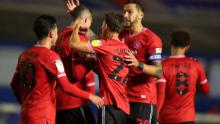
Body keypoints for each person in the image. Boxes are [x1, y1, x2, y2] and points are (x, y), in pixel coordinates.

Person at [10, 15, 103, 124]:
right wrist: (90, 96)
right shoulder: (51, 57)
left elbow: (14, 83)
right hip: (43, 115)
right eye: (57, 32)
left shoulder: (24, 55)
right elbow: (66, 87)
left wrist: (25, 102)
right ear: (52, 34)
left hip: (26, 113)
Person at [69, 13, 130, 124]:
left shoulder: (104, 44)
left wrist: (76, 25)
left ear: (106, 26)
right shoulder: (125, 48)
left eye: (103, 24)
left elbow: (74, 44)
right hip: (124, 107)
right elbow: (109, 69)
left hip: (109, 104)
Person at [54, 2, 97, 124]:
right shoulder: (80, 40)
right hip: (74, 103)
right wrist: (91, 62)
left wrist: (76, 15)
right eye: (90, 22)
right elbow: (77, 74)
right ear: (86, 20)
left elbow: (92, 38)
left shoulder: (61, 36)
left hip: (59, 102)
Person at [156, 30, 210, 124]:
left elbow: (161, 94)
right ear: (187, 46)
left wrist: (155, 115)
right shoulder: (196, 65)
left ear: (171, 44)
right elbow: (206, 90)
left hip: (166, 118)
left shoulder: (162, 66)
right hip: (187, 117)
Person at [121, 1, 163, 124]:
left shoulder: (151, 39)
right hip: (123, 97)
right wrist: (78, 17)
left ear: (141, 15)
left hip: (142, 99)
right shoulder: (121, 35)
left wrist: (138, 64)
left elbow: (159, 72)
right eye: (124, 12)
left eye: (129, 12)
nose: (125, 15)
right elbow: (97, 41)